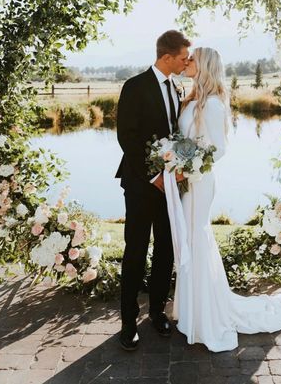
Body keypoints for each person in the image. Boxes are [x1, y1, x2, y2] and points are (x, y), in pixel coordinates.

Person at [172, 47, 281, 352]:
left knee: (196, 238)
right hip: (187, 181)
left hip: (200, 181)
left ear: (204, 66)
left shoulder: (211, 104)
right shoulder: (191, 98)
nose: (187, 63)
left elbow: (219, 149)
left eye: (192, 60)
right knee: (189, 238)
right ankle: (191, 312)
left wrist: (189, 167)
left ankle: (205, 317)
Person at [115, 29, 191, 351]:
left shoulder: (178, 87)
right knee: (135, 250)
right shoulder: (134, 87)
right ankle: (128, 322)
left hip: (170, 186)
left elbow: (176, 135)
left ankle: (157, 312)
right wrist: (153, 176)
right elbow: (127, 137)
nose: (187, 63)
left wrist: (178, 170)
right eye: (183, 58)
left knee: (165, 249)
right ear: (166, 56)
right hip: (140, 184)